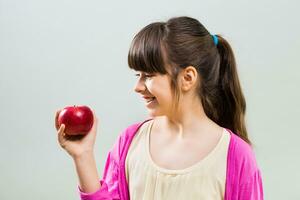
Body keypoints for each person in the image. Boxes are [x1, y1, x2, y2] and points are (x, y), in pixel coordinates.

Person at [55, 16, 264, 200]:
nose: (137, 87)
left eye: (148, 76)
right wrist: (83, 156)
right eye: (137, 75)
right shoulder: (130, 142)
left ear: (187, 78)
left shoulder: (235, 156)